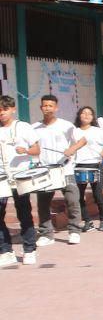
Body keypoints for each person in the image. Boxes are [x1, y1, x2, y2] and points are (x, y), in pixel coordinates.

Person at [32, 94, 86, 246]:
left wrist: (71, 149)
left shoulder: (66, 125)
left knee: (72, 200)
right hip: (44, 170)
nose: (47, 108)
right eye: (45, 105)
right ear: (41, 108)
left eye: (50, 105)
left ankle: (75, 231)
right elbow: (32, 147)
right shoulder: (34, 127)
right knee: (43, 203)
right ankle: (46, 234)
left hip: (65, 169)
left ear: (56, 108)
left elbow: (82, 140)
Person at [0, 95, 41, 267]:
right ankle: (6, 250)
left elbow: (37, 149)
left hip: (20, 175)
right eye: (0, 110)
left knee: (23, 212)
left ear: (13, 109)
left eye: (5, 109)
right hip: (2, 177)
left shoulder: (23, 127)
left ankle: (29, 249)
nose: (2, 113)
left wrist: (25, 150)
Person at [71, 105, 103, 232]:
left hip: (95, 165)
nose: (86, 115)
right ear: (79, 115)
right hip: (79, 166)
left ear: (92, 117)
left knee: (97, 195)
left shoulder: (97, 131)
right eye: (83, 113)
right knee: (79, 196)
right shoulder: (74, 131)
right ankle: (87, 221)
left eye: (89, 114)